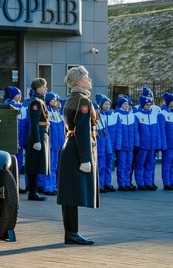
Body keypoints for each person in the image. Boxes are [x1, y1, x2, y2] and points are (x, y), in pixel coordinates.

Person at [57, 66, 98, 245]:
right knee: (71, 195)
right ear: (79, 82)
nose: (90, 81)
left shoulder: (71, 99)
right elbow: (82, 131)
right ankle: (72, 233)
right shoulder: (83, 101)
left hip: (69, 147)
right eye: (87, 78)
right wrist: (85, 159)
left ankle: (70, 232)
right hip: (76, 150)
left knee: (69, 195)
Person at [24, 78, 49, 201]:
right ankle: (32, 192)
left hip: (40, 133)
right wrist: (37, 141)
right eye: (44, 87)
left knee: (36, 164)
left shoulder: (39, 101)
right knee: (33, 165)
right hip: (37, 135)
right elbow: (34, 123)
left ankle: (33, 191)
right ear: (38, 88)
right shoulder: (36, 102)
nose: (46, 89)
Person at [133, 95, 164, 190]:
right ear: (142, 105)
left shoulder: (154, 116)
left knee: (150, 165)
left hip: (152, 146)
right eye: (147, 105)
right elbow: (136, 132)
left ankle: (148, 182)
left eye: (150, 105)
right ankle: (140, 183)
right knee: (140, 164)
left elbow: (158, 132)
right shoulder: (137, 116)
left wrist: (157, 145)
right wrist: (137, 145)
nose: (149, 106)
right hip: (143, 146)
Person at [4, 86, 28, 193]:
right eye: (17, 94)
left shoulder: (22, 107)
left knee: (18, 164)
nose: (20, 95)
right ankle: (12, 186)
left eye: (20, 94)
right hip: (14, 141)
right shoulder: (10, 106)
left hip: (21, 141)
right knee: (13, 164)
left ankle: (17, 185)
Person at [95, 93, 121, 193]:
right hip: (100, 147)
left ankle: (107, 183)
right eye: (105, 104)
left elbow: (108, 135)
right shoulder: (98, 118)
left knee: (108, 166)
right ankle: (100, 184)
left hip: (107, 146)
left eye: (108, 104)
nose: (107, 106)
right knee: (100, 166)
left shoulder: (113, 116)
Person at [114, 96, 138, 191]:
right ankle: (121, 183)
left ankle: (127, 182)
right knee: (121, 165)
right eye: (124, 104)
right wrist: (118, 146)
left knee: (129, 165)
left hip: (130, 146)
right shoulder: (117, 115)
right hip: (122, 147)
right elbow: (117, 132)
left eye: (127, 104)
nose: (126, 106)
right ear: (120, 105)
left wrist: (136, 144)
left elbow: (135, 131)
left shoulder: (132, 116)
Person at [44, 92, 63, 196]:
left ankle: (53, 186)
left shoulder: (57, 112)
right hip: (51, 144)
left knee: (55, 166)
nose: (55, 102)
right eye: (53, 100)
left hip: (58, 144)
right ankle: (48, 187)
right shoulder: (47, 111)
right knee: (50, 166)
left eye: (56, 100)